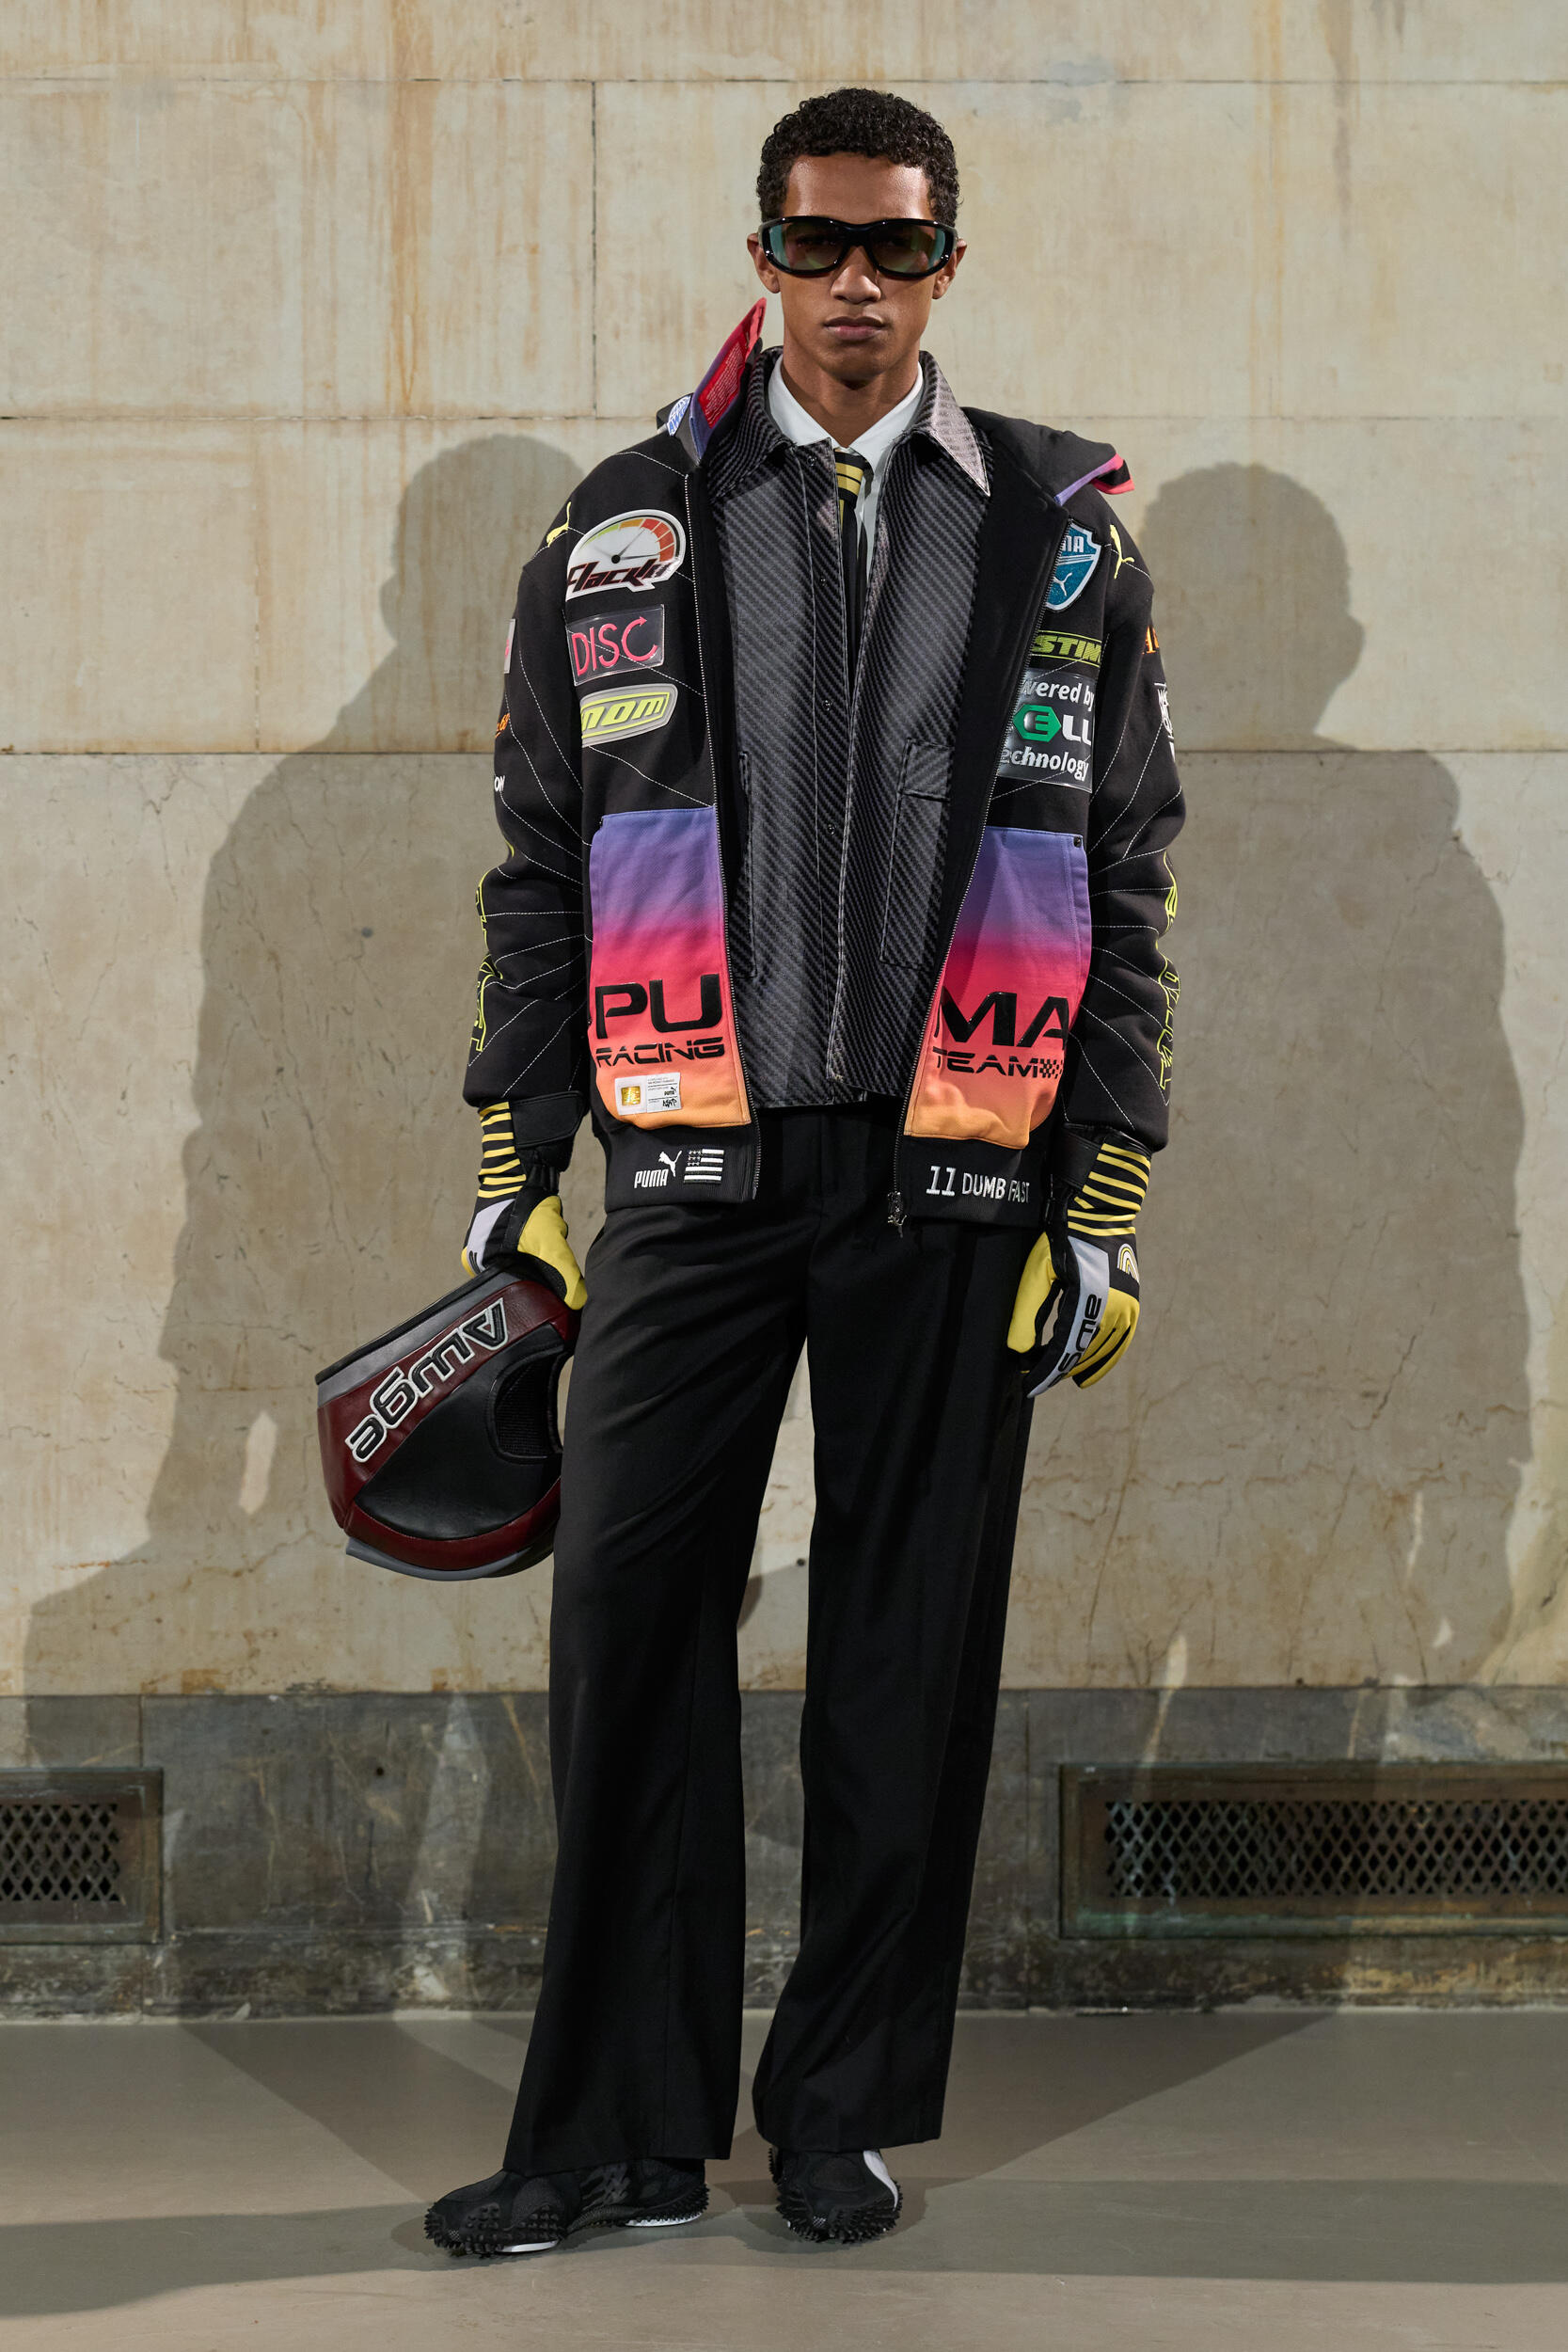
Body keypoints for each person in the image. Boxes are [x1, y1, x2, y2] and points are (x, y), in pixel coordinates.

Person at [426, 85, 1183, 2260]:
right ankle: (616, 2128)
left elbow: (1122, 868)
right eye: (822, 242)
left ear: (949, 265)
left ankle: (837, 2108)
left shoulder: (1057, 538)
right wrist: (518, 1153)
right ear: (763, 256)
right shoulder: (628, 526)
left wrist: (1107, 1196)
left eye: (899, 247)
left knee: (902, 1646)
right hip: (690, 1153)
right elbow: (544, 860)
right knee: (628, 1619)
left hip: (958, 1160)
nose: (860, 282)